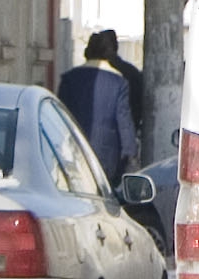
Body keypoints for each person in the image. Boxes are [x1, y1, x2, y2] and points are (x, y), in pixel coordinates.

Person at [57, 26, 142, 186]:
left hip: (73, 153)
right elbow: (124, 122)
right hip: (107, 159)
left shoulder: (69, 79)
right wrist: (131, 154)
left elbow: (60, 118)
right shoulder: (118, 82)